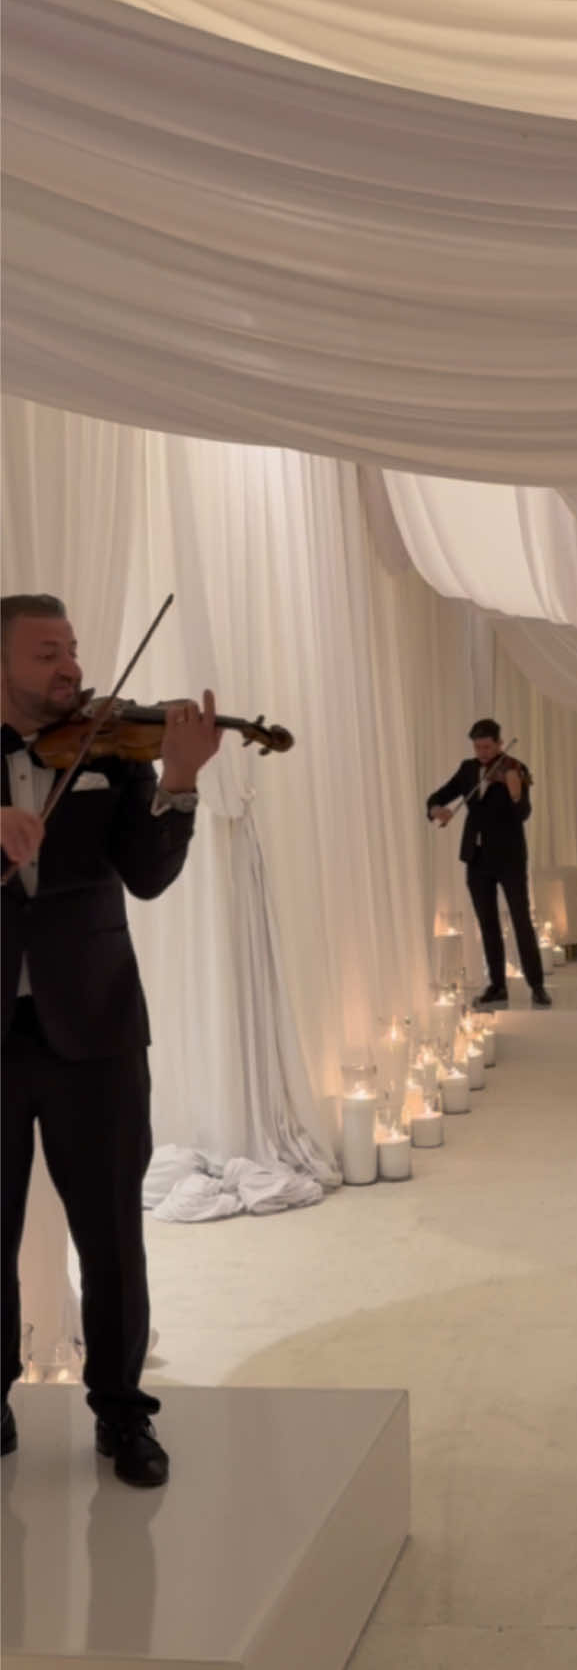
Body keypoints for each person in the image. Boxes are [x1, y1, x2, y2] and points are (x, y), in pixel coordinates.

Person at [2, 594, 221, 1484]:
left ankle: (123, 1414)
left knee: (112, 1233)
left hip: (94, 1025)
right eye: (46, 651)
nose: (69, 666)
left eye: (73, 649)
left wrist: (177, 781)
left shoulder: (110, 745)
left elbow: (149, 874)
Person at [426, 719, 551, 1010]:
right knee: (488, 923)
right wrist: (436, 810)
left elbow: (523, 813)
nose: (482, 752)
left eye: (487, 746)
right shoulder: (468, 770)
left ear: (498, 742)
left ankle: (537, 986)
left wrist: (515, 791)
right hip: (477, 857)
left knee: (521, 920)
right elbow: (438, 796)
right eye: (477, 747)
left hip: (509, 857)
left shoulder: (514, 768)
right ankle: (496, 986)